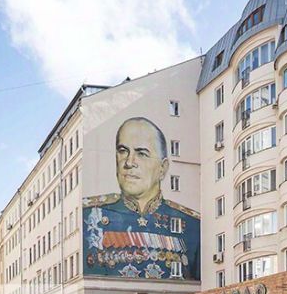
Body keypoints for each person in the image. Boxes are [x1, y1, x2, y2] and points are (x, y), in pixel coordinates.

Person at [82, 117, 201, 280]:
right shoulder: (89, 216)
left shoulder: (192, 225)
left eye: (142, 154)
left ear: (163, 168)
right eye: (123, 151)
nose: (129, 162)